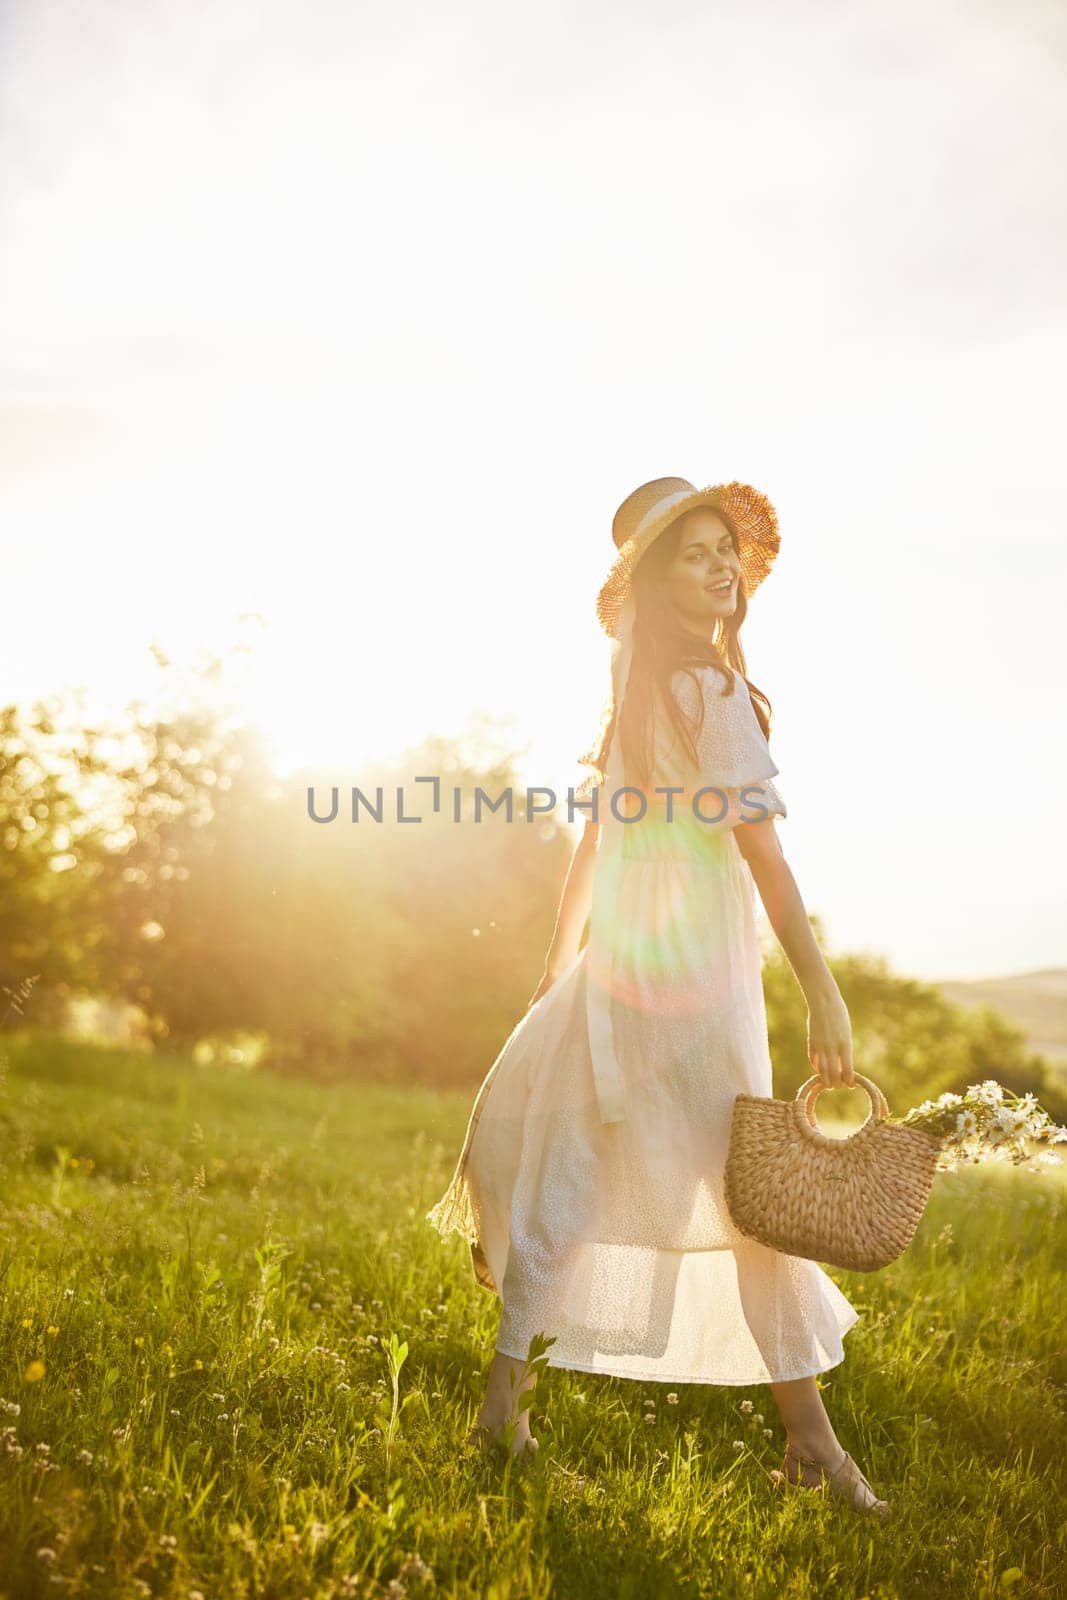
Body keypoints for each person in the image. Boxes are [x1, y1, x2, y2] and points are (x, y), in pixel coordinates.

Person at [426, 476, 888, 1516]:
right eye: (695, 552)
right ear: (651, 581)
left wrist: (561, 973)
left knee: (606, 1180)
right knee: (740, 1200)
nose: (723, 566)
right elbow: (706, 857)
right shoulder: (693, 697)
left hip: (648, 977)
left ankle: (511, 1413)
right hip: (677, 982)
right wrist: (818, 992)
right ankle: (803, 1444)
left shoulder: (662, 698)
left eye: (727, 550)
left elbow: (633, 853)